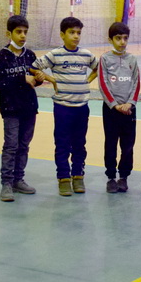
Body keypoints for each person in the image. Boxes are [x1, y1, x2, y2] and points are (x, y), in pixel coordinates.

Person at [31, 17, 96, 197]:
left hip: (82, 107)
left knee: (79, 144)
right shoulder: (55, 55)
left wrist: (87, 80)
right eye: (71, 32)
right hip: (62, 108)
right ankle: (63, 178)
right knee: (62, 143)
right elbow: (33, 67)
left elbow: (99, 68)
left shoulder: (86, 54)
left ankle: (78, 176)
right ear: (62, 34)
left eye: (78, 33)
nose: (76, 36)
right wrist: (51, 79)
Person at [0, 15, 40, 202]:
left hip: (29, 107)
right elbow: (1, 83)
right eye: (18, 32)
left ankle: (18, 179)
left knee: (24, 145)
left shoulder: (30, 55)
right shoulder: (2, 56)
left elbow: (33, 80)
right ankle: (6, 182)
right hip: (11, 108)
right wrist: (22, 79)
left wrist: (38, 79)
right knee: (11, 146)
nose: (22, 36)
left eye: (25, 32)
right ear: (9, 33)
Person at [97, 22, 140, 193]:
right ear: (110, 39)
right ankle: (111, 177)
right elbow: (103, 83)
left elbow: (136, 83)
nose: (122, 42)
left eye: (125, 38)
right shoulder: (105, 59)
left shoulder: (132, 59)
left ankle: (124, 176)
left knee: (128, 145)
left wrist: (130, 103)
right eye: (118, 38)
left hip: (129, 110)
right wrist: (115, 105)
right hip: (111, 111)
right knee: (111, 144)